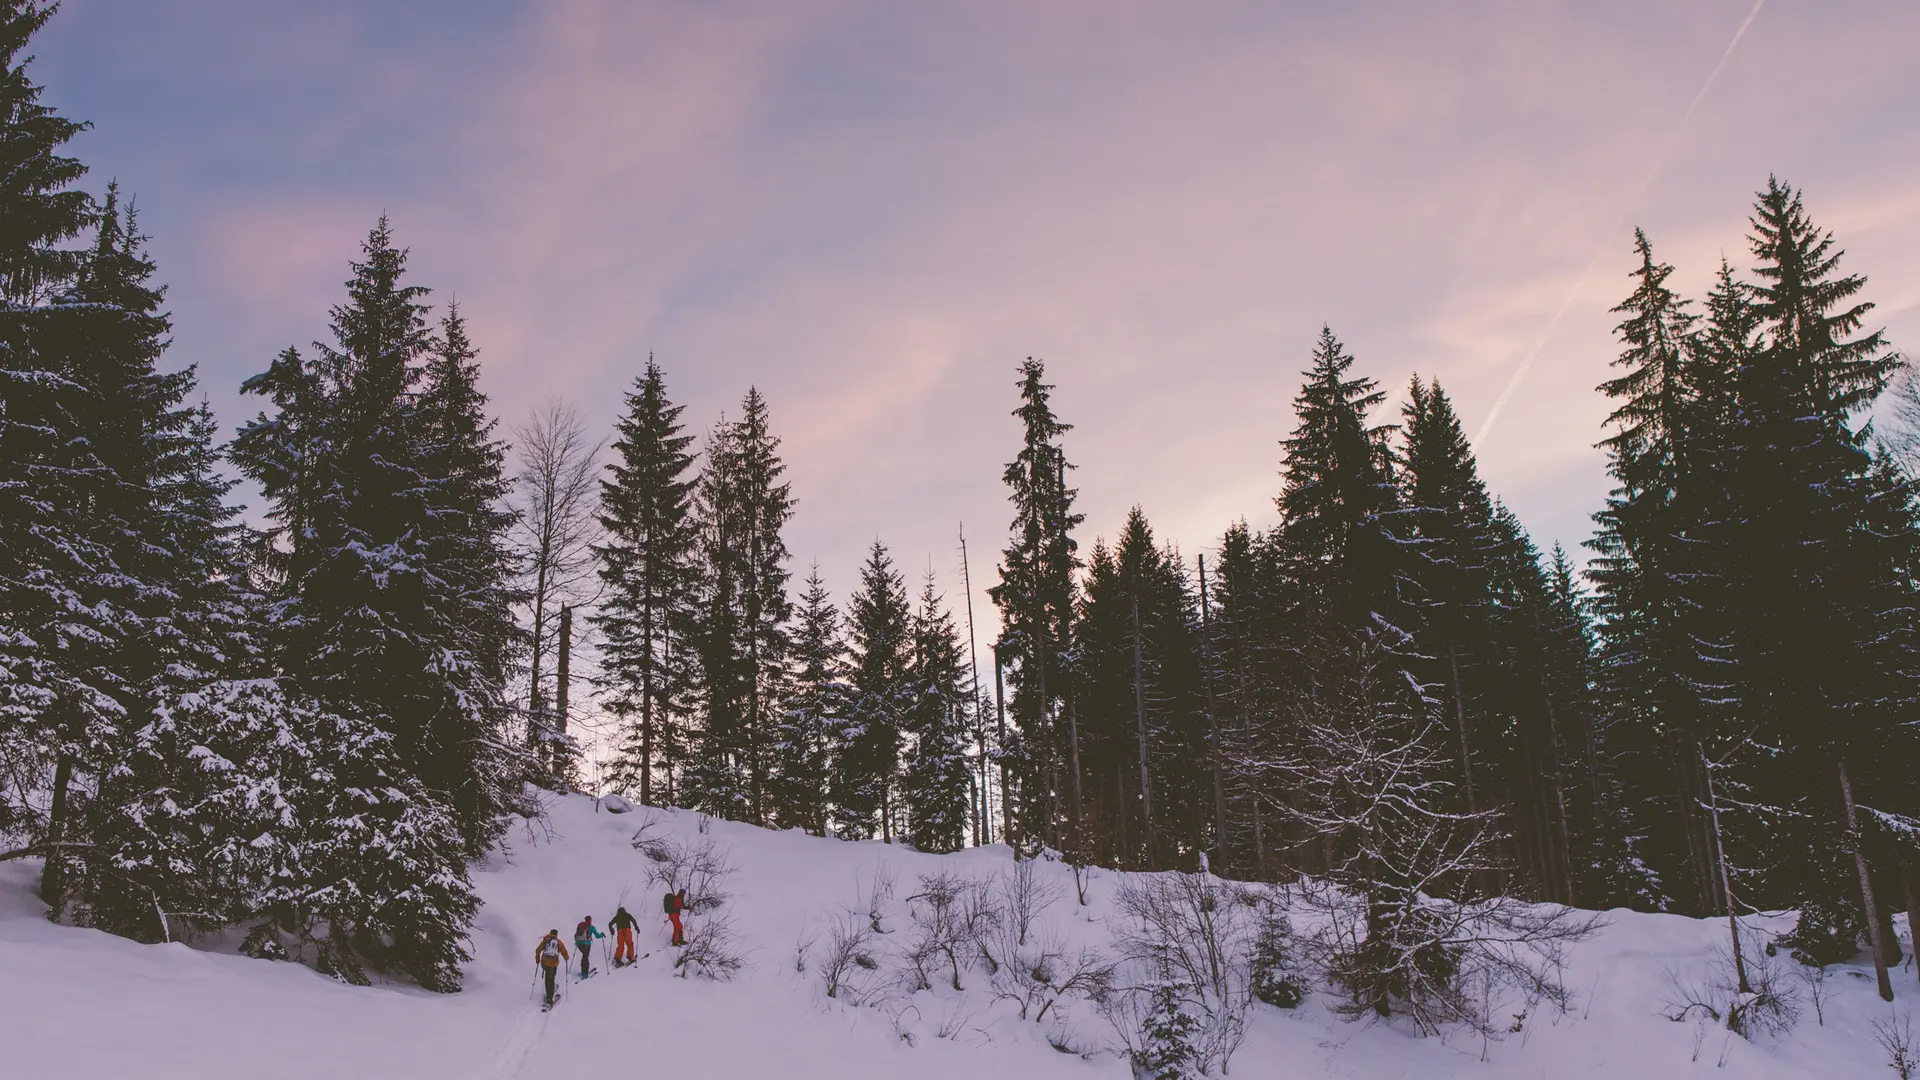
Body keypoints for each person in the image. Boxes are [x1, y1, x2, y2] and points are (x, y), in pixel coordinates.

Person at [534, 929, 569, 1007]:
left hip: (545, 963)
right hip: (554, 963)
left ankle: (549, 993)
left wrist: (537, 959)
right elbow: (564, 951)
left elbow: (538, 950)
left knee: (547, 978)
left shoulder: (546, 941)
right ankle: (550, 998)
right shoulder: (558, 942)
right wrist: (566, 957)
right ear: (556, 934)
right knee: (551, 978)